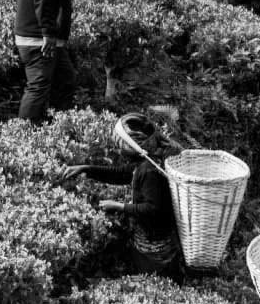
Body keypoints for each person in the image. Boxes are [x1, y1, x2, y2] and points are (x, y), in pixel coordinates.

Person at [64, 113, 180, 274]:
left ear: (132, 146)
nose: (118, 150)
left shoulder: (149, 170)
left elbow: (153, 209)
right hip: (152, 241)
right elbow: (121, 173)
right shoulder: (150, 158)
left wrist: (119, 206)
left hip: (156, 249)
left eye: (120, 145)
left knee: (153, 279)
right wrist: (86, 169)